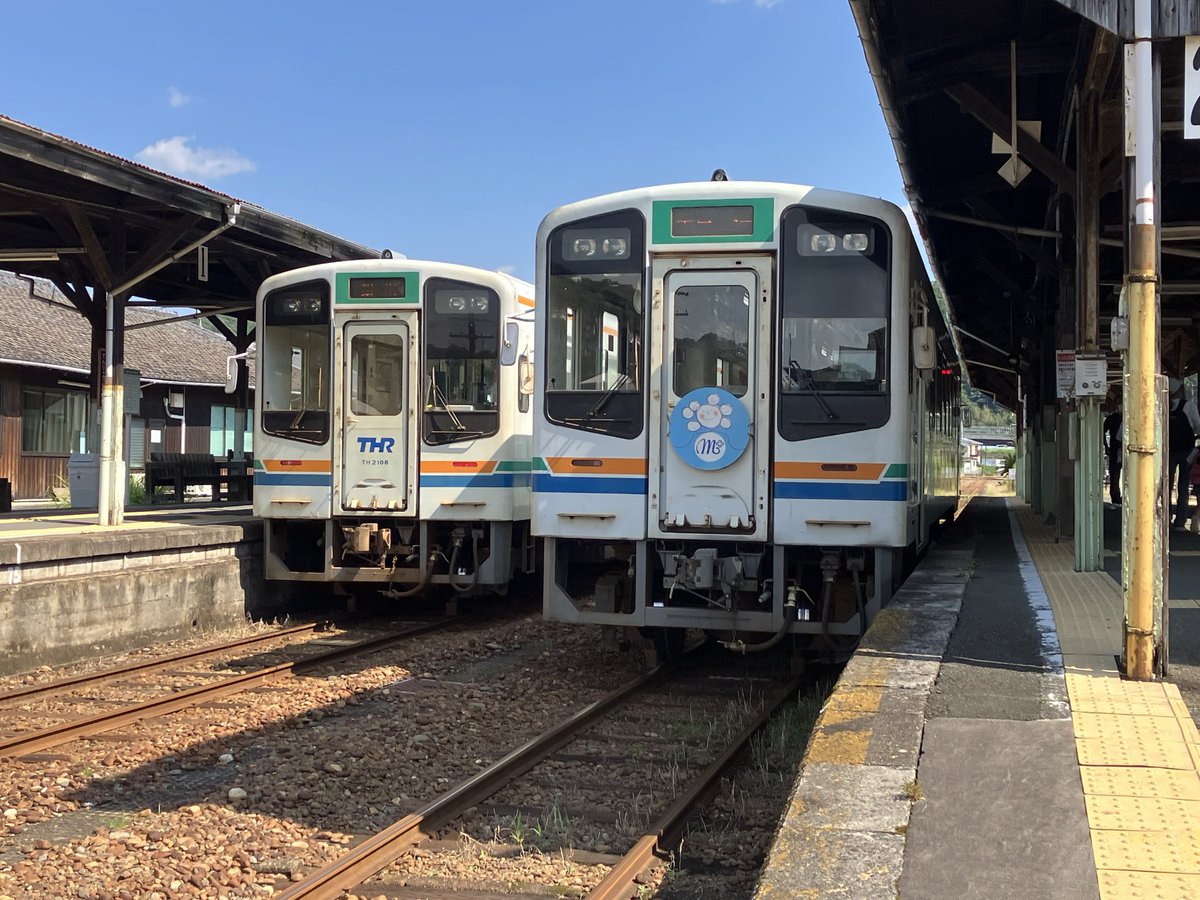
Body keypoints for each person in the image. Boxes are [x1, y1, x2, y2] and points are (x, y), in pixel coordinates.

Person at [1168, 383, 1196, 529]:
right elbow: (1198, 426)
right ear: (1180, 390)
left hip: (1169, 450)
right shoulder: (1189, 405)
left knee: (1166, 485)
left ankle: (1165, 517)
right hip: (1186, 451)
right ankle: (1180, 521)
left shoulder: (1163, 403)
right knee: (1183, 486)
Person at [1103, 401, 1122, 505]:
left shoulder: (1129, 417)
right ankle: (1115, 498)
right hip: (1114, 451)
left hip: (1128, 451)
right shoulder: (1112, 418)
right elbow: (1102, 430)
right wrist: (1106, 446)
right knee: (1114, 475)